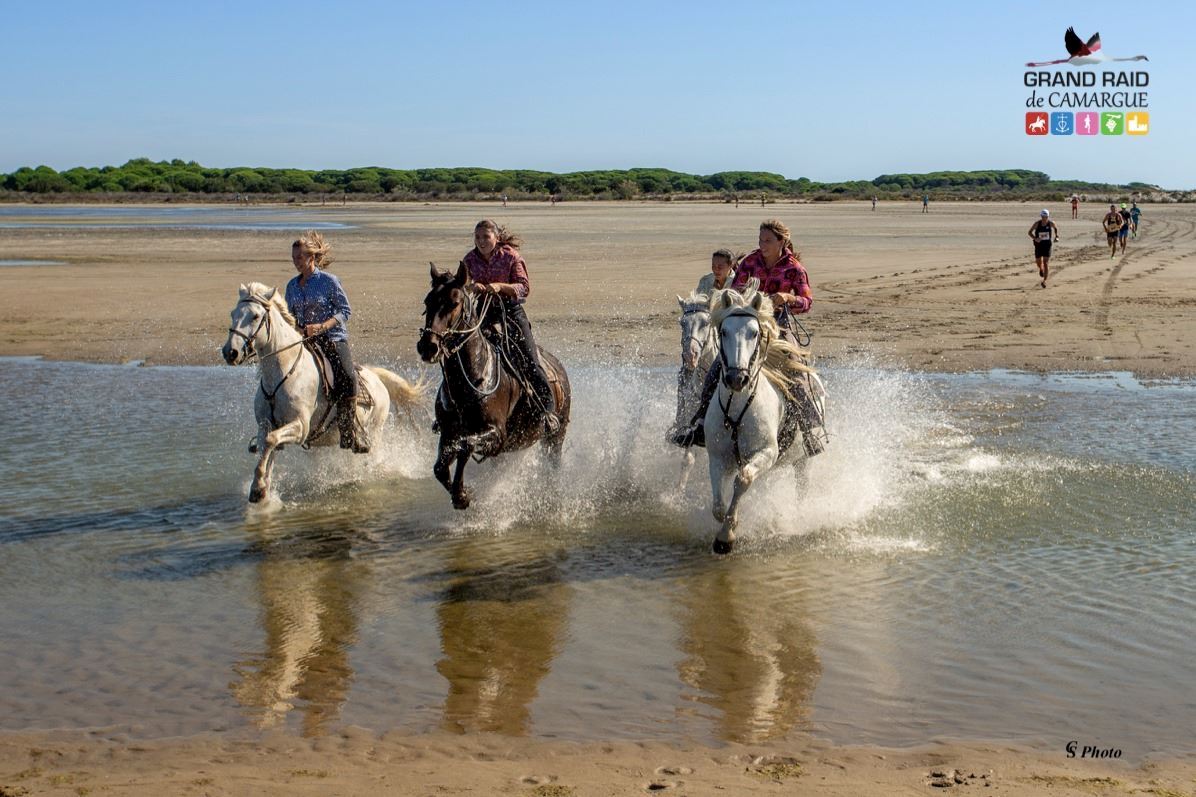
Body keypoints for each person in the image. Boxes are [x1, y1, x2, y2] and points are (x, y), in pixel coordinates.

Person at [671, 219, 822, 455]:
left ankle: (809, 429)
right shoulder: (750, 262)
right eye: (760, 240)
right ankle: (699, 423)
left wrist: (788, 298)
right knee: (716, 368)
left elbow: (807, 301)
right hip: (745, 325)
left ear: (782, 241)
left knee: (797, 371)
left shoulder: (795, 269)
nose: (762, 244)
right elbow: (734, 291)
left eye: (768, 241)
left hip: (778, 327)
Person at [462, 219, 560, 433]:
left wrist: (500, 287)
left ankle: (547, 410)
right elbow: (460, 286)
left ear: (496, 238)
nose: (481, 241)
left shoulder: (511, 257)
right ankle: (452, 410)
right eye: (477, 237)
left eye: (486, 237)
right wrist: (472, 287)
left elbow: (524, 288)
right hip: (484, 312)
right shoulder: (469, 259)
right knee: (462, 355)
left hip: (511, 312)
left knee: (529, 358)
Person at [285, 230, 369, 453]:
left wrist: (321, 326)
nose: (296, 262)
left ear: (311, 258)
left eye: (300, 258)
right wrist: (297, 329)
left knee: (347, 376)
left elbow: (345, 311)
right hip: (303, 341)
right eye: (294, 258)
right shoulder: (291, 286)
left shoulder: (329, 281)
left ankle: (349, 430)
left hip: (332, 338)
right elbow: (288, 317)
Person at [1028, 209, 1059, 288]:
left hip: (1047, 245)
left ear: (1048, 216)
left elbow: (1055, 228)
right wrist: (1035, 238)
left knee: (1046, 263)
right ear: (1041, 216)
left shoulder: (1051, 223)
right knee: (1038, 262)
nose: (1045, 218)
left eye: (1046, 216)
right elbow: (1029, 232)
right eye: (1043, 216)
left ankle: (1044, 281)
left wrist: (1056, 236)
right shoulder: (1037, 224)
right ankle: (1041, 269)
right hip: (1038, 245)